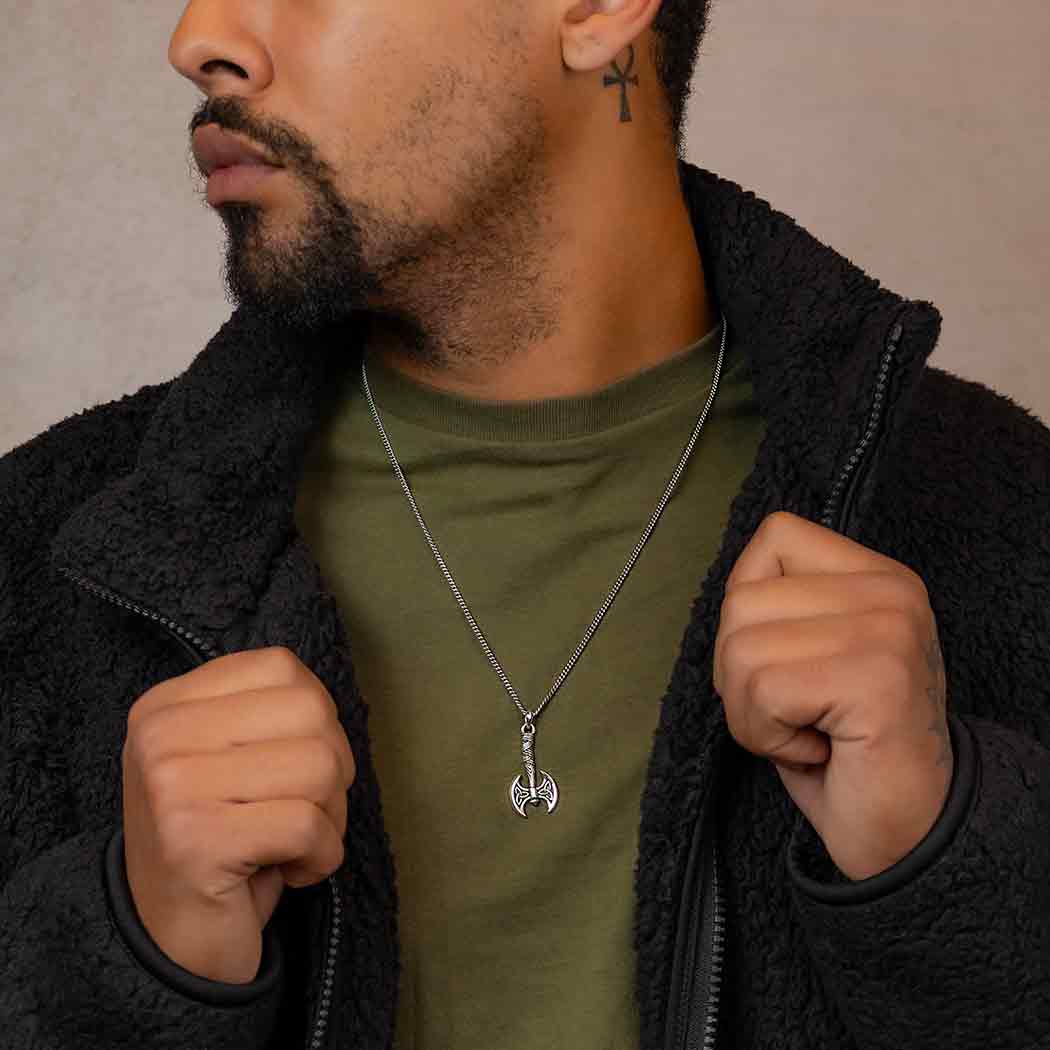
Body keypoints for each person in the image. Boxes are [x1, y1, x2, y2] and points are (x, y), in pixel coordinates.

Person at [1, 0, 1047, 1046]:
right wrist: (134, 961)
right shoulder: (47, 557)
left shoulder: (1006, 517)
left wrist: (941, 862)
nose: (197, 40)